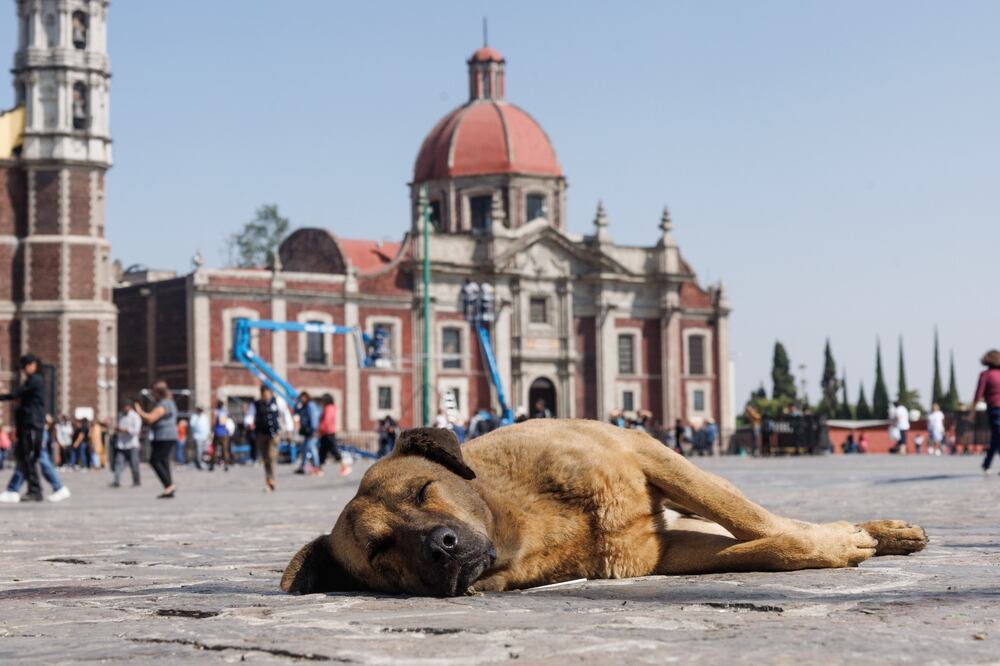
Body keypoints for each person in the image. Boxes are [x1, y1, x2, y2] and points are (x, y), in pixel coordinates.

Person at [0, 354, 47, 501]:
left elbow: (16, 393)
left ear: (33, 364)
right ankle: (31, 489)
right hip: (27, 424)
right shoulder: (32, 380)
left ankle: (35, 490)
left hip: (32, 424)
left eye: (25, 366)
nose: (24, 370)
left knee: (29, 457)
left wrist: (3, 396)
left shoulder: (35, 380)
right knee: (24, 457)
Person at [0, 419, 71, 503]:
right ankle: (21, 489)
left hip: (33, 427)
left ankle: (58, 487)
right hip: (32, 426)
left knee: (38, 457)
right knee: (28, 458)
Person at [134, 380, 178, 498]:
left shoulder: (164, 404)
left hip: (164, 436)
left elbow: (150, 418)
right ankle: (168, 488)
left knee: (155, 460)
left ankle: (168, 485)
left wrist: (139, 410)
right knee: (163, 461)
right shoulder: (169, 402)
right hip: (166, 436)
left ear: (158, 392)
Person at [250, 385, 282, 492]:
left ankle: (272, 480)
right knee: (265, 459)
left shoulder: (278, 402)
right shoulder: (256, 404)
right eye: (263, 394)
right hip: (261, 434)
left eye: (267, 393)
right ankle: (268, 480)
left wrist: (289, 429)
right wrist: (249, 423)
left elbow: (284, 414)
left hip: (274, 434)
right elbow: (250, 416)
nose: (265, 396)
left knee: (272, 456)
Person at [974, 349, 1000, 474]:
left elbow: (979, 393)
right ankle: (987, 463)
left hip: (995, 408)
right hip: (995, 409)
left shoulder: (986, 375)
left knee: (997, 436)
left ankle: (987, 463)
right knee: (997, 436)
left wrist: (973, 409)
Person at [112, 401, 141, 488]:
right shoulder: (120, 415)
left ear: (129, 407)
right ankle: (116, 481)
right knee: (118, 463)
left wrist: (125, 430)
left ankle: (136, 481)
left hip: (132, 445)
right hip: (121, 444)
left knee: (134, 464)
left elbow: (136, 430)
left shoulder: (135, 416)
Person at [294, 392, 321, 475]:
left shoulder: (310, 405)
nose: (302, 400)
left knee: (311, 447)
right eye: (301, 398)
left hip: (311, 431)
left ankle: (316, 466)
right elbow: (296, 412)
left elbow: (314, 418)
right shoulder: (303, 406)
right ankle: (303, 466)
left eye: (303, 398)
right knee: (304, 448)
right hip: (306, 432)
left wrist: (314, 430)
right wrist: (297, 403)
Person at [210, 400, 231, 471]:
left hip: (217, 432)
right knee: (225, 450)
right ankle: (226, 464)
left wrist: (212, 430)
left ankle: (212, 464)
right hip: (224, 433)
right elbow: (225, 422)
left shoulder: (216, 412)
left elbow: (214, 421)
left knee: (214, 449)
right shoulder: (225, 412)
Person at [189, 406, 211, 470]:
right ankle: (198, 463)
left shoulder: (205, 417)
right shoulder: (194, 417)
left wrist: (208, 434)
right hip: (198, 436)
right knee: (199, 451)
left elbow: (207, 426)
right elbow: (192, 425)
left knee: (205, 450)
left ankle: (204, 462)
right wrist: (198, 418)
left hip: (205, 436)